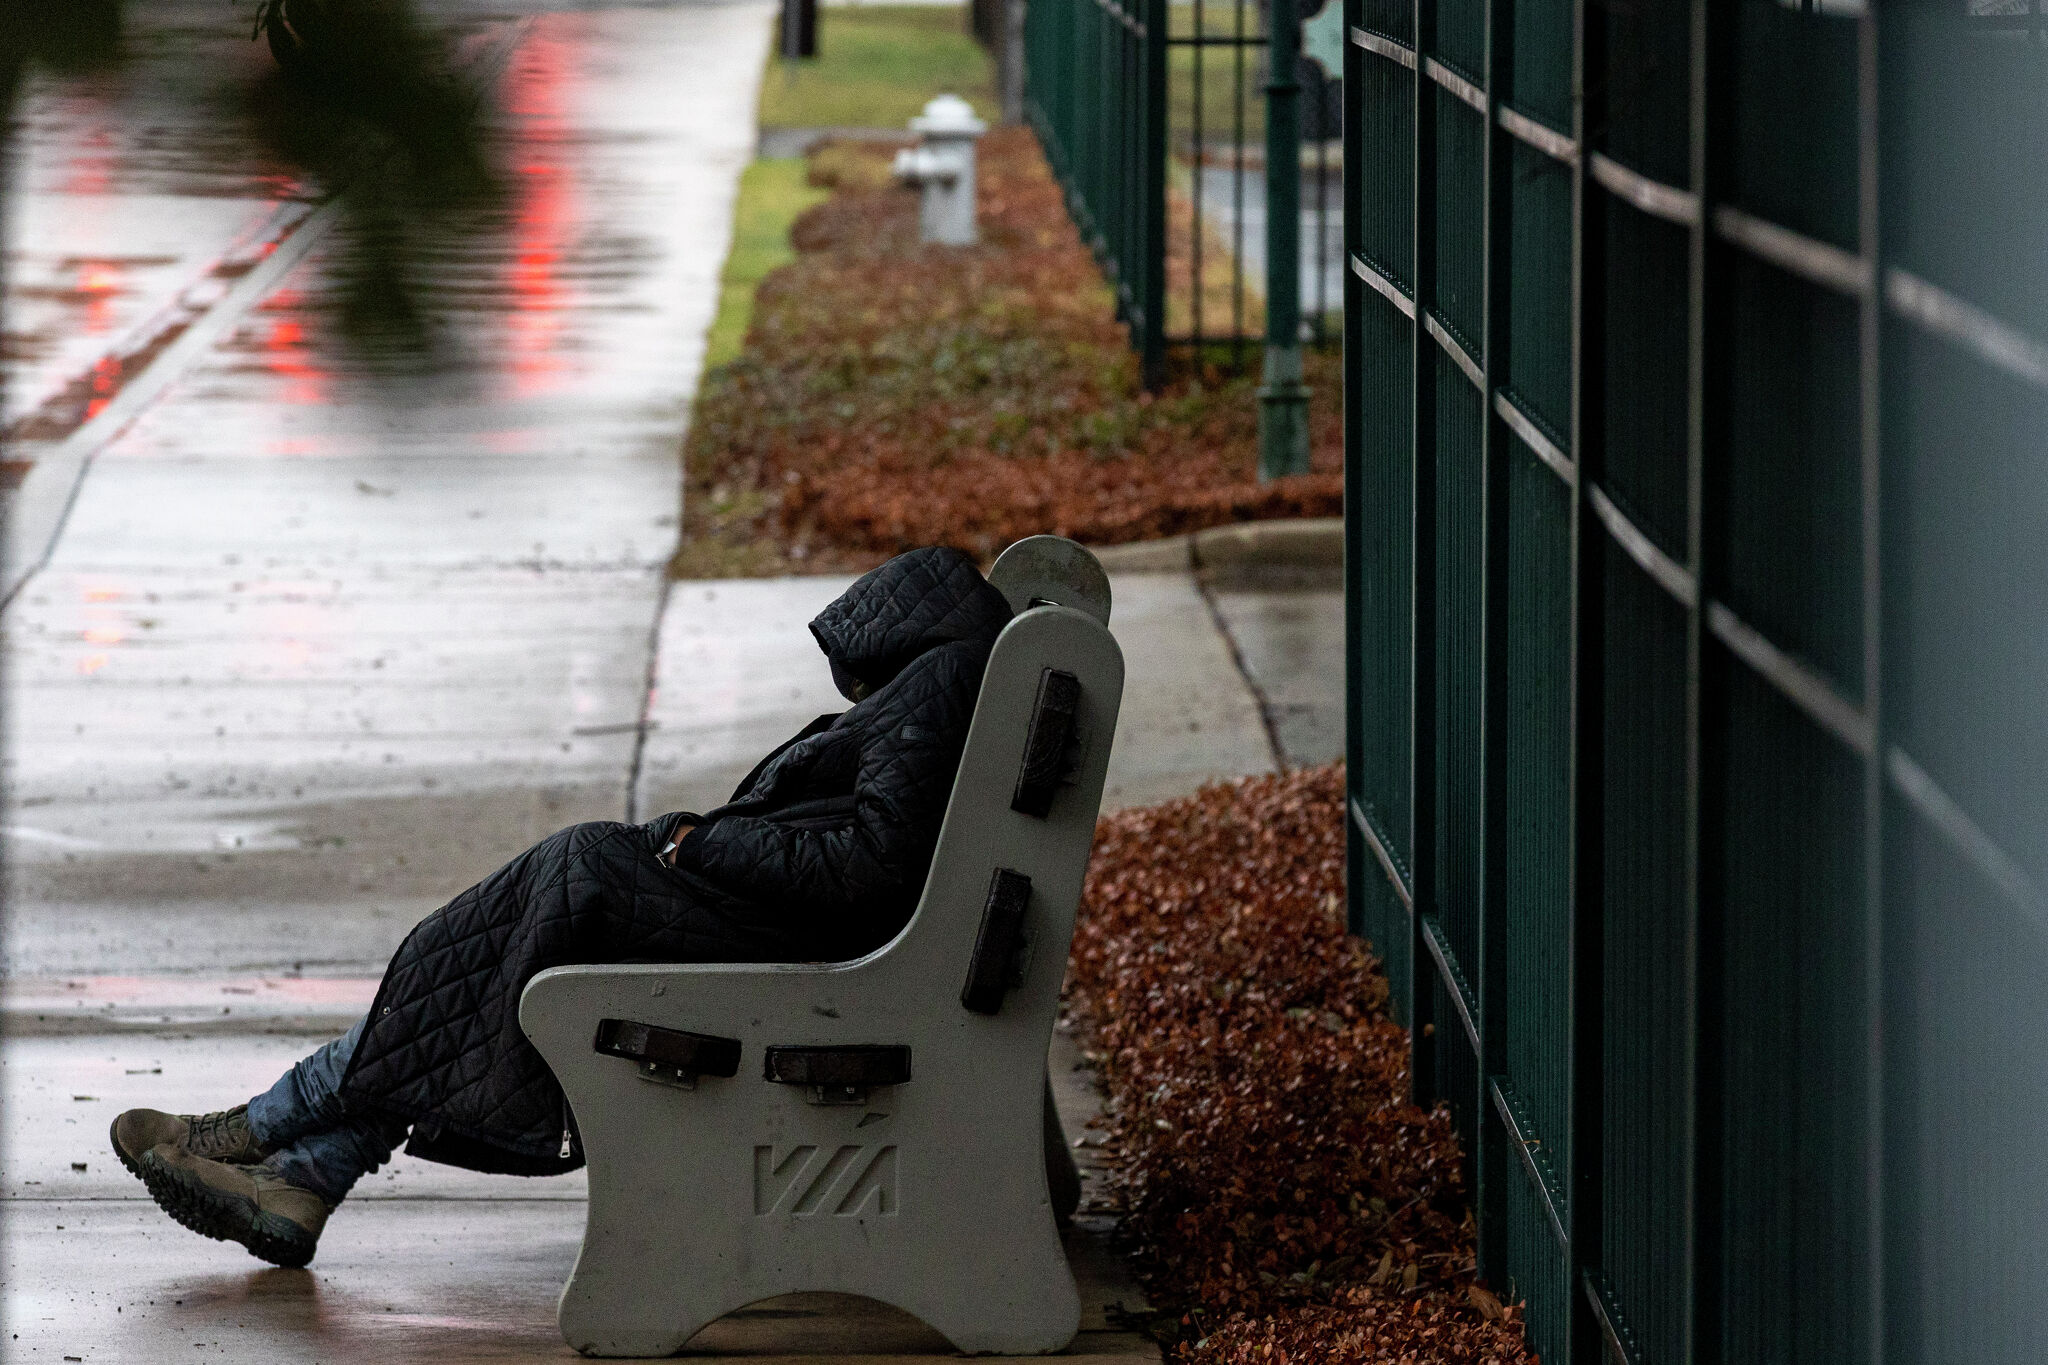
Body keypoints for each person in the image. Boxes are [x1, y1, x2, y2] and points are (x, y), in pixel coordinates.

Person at [108, 546, 1014, 1267]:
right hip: (803, 934)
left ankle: (267, 1136)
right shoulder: (951, 681)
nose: (847, 680)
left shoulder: (934, 685)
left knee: (544, 900)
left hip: (812, 949)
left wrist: (699, 843)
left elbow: (867, 868)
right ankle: (299, 1165)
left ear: (892, 622)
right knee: (492, 961)